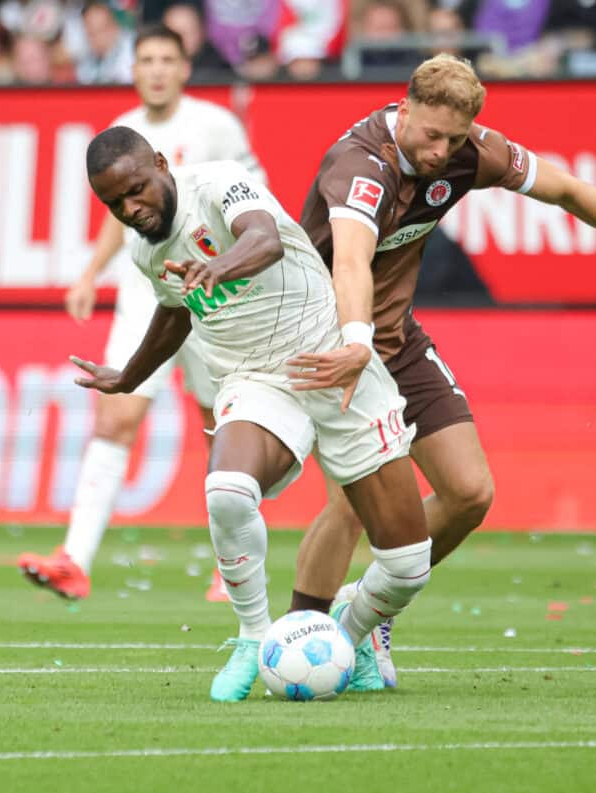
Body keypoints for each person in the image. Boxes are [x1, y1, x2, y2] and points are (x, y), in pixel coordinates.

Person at [289, 53, 596, 688]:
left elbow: (570, 190)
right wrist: (356, 343)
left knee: (471, 493)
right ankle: (297, 636)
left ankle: (361, 621)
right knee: (353, 506)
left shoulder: (470, 151)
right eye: (431, 134)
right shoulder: (361, 167)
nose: (442, 152)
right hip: (336, 343)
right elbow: (351, 262)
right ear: (403, 109)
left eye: (456, 138)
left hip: (397, 342)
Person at [72, 126, 432, 702]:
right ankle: (252, 637)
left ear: (161, 163)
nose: (131, 209)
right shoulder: (144, 250)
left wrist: (220, 268)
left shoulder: (220, 184)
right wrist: (129, 376)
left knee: (409, 566)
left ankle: (351, 629)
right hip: (256, 380)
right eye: (114, 203)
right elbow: (175, 314)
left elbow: (262, 239)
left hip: (332, 360)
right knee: (227, 489)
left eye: (137, 190)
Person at [17, 25, 265, 601]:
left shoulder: (215, 126)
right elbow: (119, 214)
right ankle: (74, 559)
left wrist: (227, 266)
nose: (155, 69)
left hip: (209, 292)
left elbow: (251, 195)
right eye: (146, 59)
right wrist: (89, 273)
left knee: (220, 431)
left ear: (184, 67)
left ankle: (233, 566)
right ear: (133, 69)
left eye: (166, 59)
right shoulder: (123, 133)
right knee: (115, 418)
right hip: (145, 292)